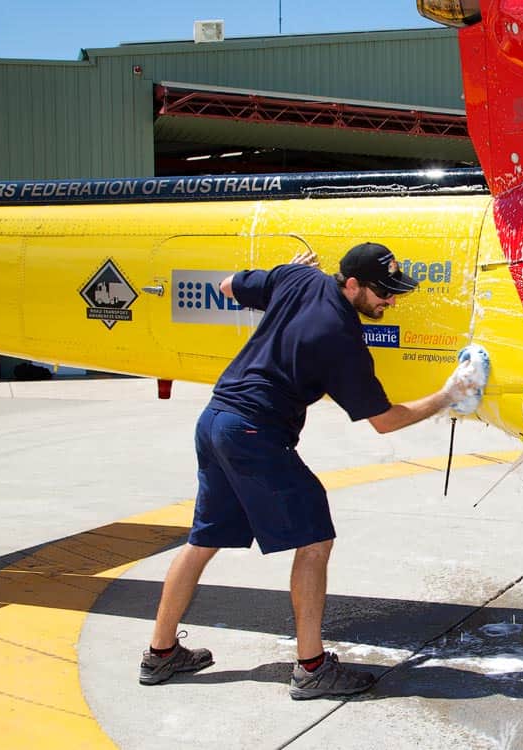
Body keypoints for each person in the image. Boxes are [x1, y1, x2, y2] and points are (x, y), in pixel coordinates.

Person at [139, 242, 478, 699]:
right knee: (315, 541)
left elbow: (226, 285)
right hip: (254, 434)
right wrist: (450, 393)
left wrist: (282, 274)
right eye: (383, 292)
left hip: (216, 419)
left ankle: (160, 654)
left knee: (204, 540)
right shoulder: (340, 338)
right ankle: (312, 668)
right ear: (352, 284)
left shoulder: (300, 278)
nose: (391, 301)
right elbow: (386, 421)